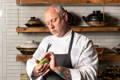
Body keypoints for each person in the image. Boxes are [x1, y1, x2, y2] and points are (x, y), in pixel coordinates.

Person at [26, 4, 98, 80]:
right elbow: (32, 62)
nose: (51, 26)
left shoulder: (83, 43)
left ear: (65, 17)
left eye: (53, 20)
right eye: (48, 23)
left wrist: (58, 69)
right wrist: (36, 70)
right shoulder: (46, 41)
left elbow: (90, 75)